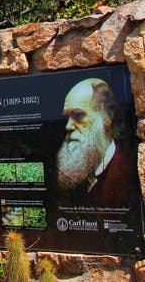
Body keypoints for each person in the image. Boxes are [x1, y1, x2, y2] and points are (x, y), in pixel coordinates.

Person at [56, 77, 135, 207]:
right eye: (67, 117)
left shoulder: (127, 172)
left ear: (108, 116)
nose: (68, 126)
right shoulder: (77, 178)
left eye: (77, 115)